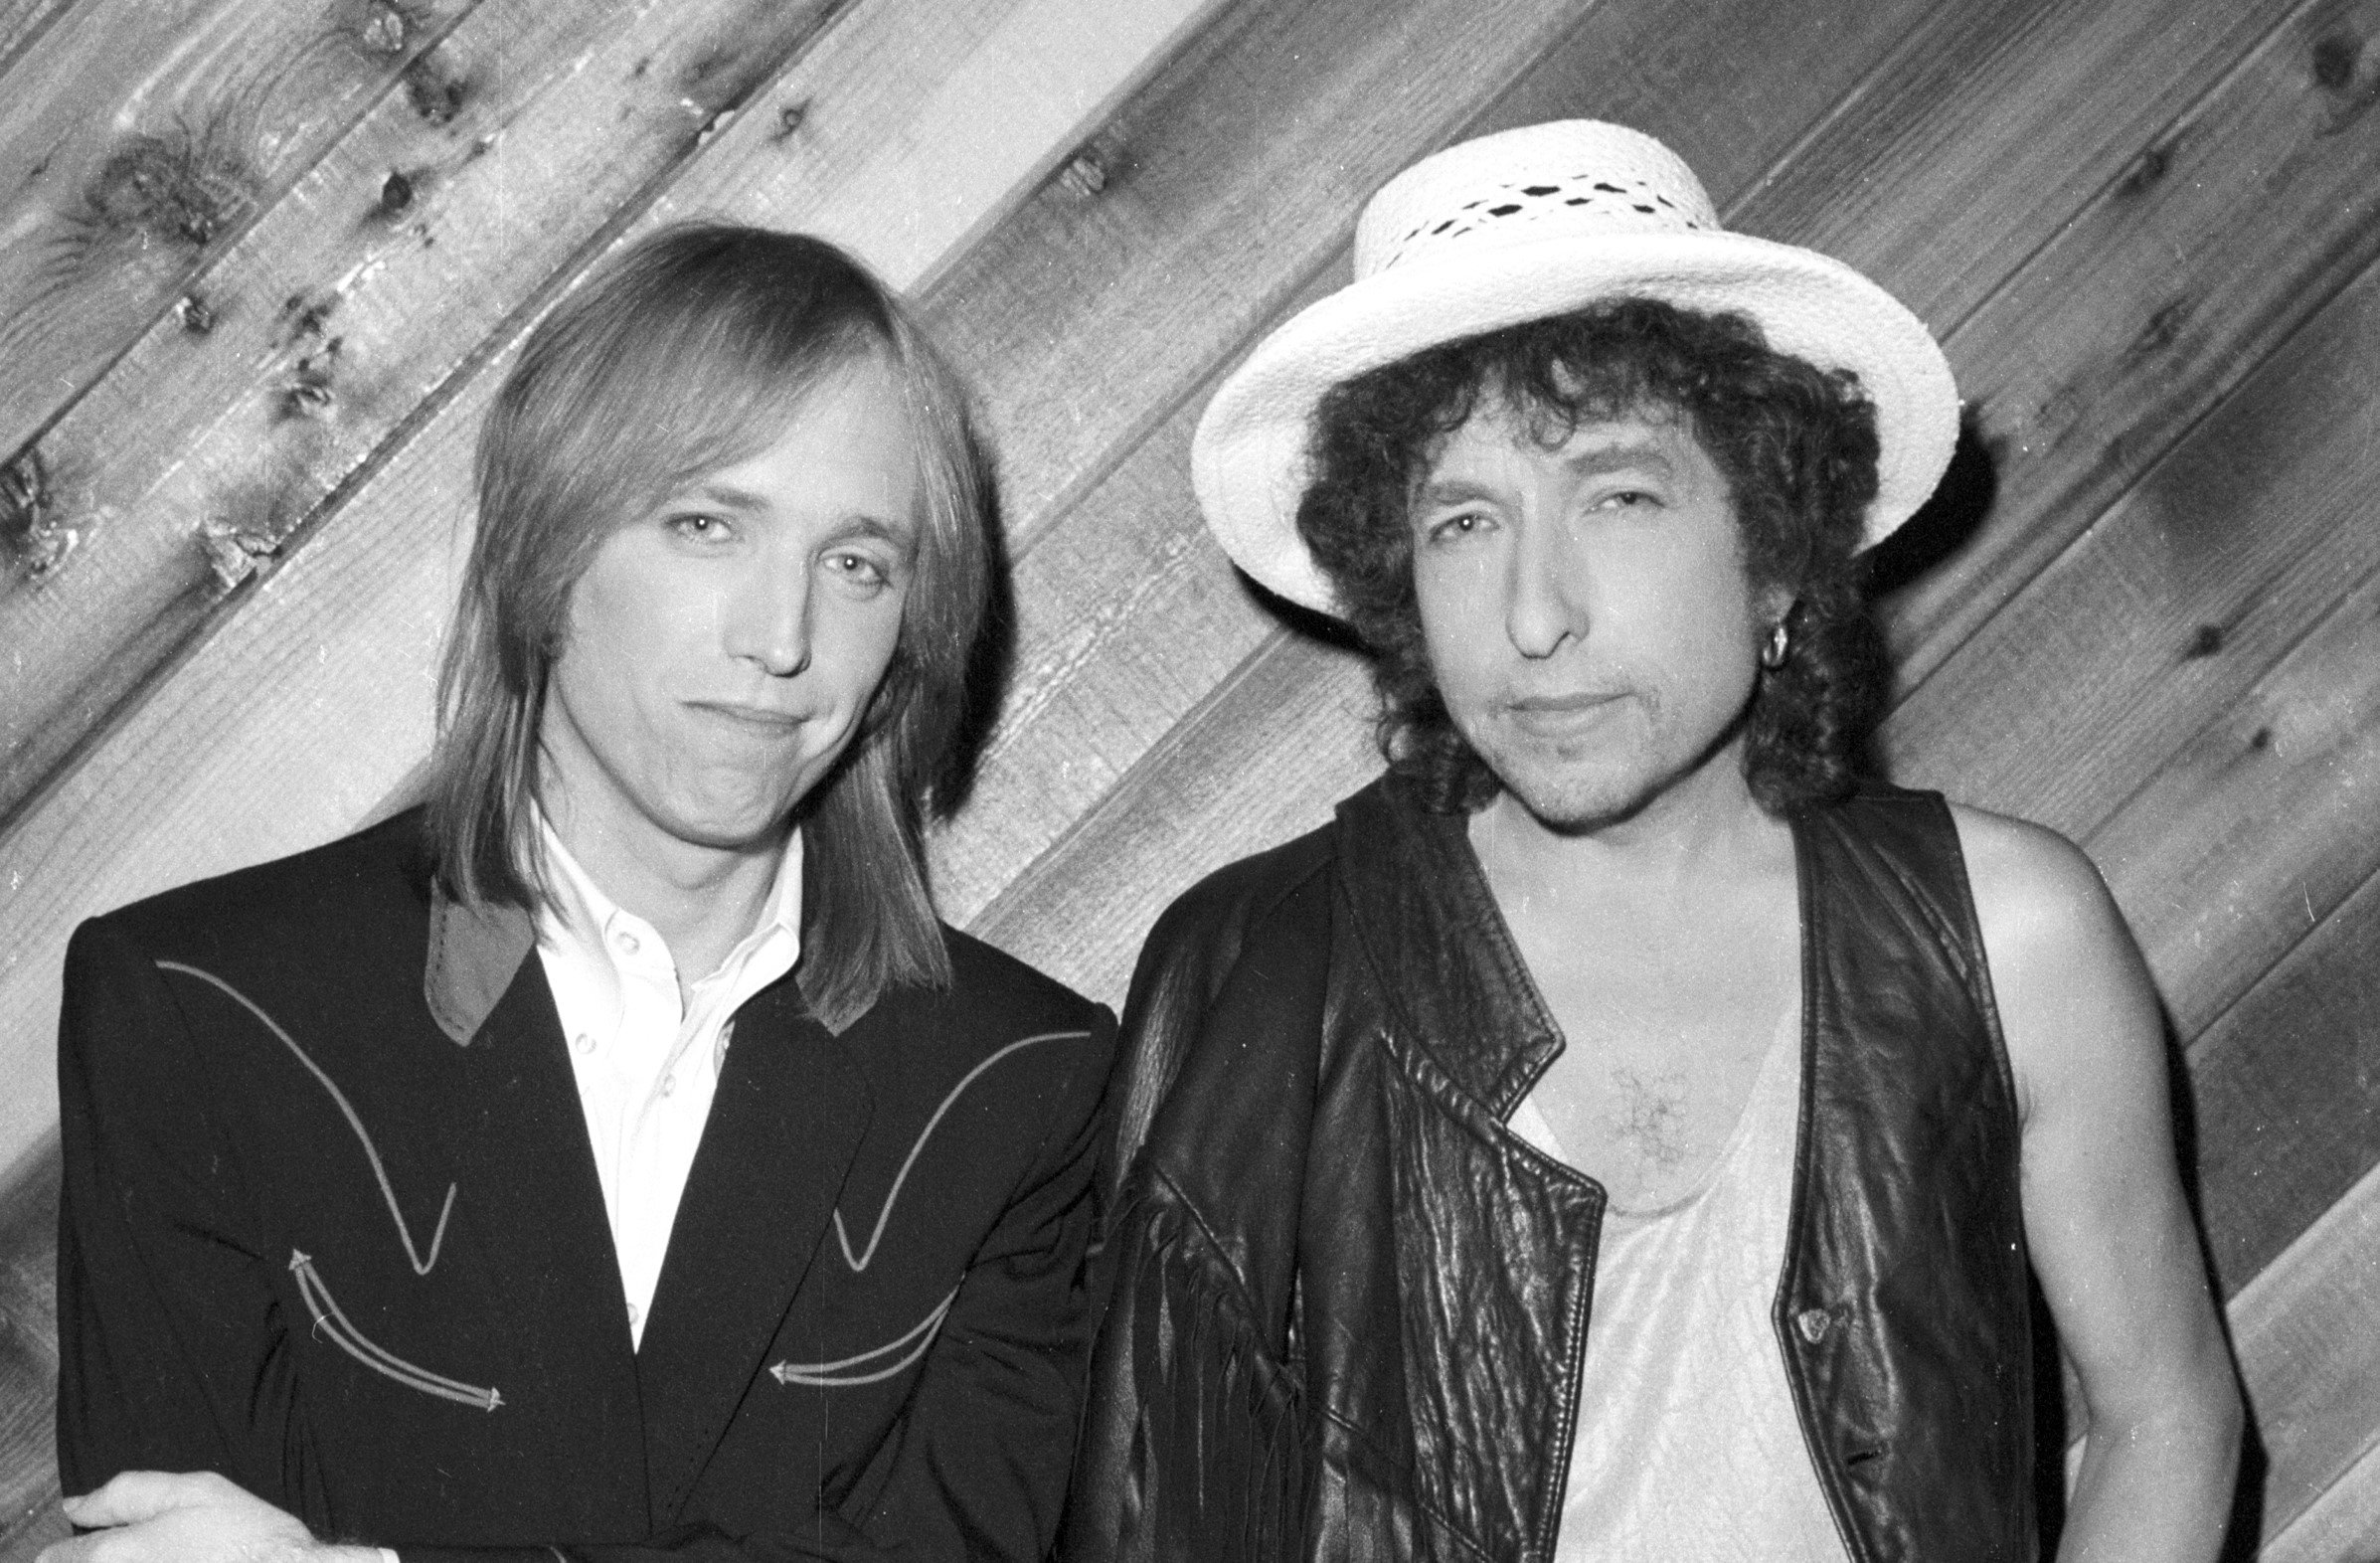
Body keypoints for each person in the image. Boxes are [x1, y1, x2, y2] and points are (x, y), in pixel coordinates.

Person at [1061, 121, 2241, 1562]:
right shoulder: (1258, 963)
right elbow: (1144, 1507)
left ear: (1774, 552)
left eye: (1617, 495)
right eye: (1461, 521)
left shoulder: (2002, 933)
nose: (1534, 613)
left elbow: (2165, 1418)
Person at [50, 226, 1116, 1563]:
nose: (781, 640)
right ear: (545, 557)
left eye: (859, 563)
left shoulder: (1021, 1087)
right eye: (706, 525)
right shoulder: (201, 1010)